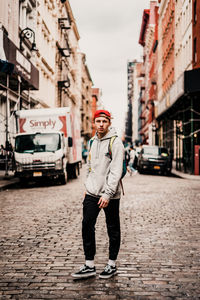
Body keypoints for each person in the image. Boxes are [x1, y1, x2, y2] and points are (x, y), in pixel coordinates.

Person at [72, 109, 124, 279]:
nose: (101, 124)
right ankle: (89, 265)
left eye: (104, 121)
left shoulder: (116, 143)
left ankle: (111, 264)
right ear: (94, 123)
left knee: (112, 228)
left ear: (109, 123)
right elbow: (90, 167)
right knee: (87, 224)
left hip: (110, 194)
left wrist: (108, 194)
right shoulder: (93, 141)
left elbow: (116, 171)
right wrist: (88, 187)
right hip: (92, 193)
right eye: (98, 121)